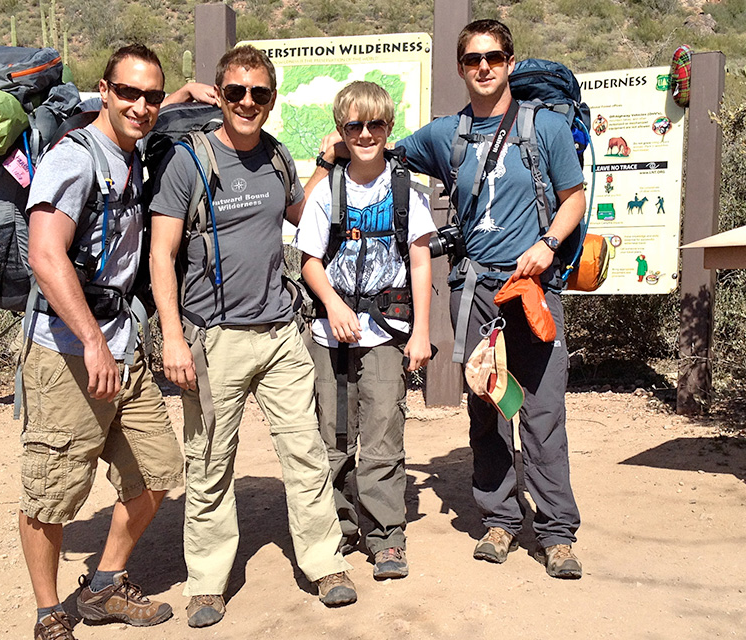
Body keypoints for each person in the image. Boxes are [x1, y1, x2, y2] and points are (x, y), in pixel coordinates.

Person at [149, 44, 356, 628]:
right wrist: (172, 336)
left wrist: (325, 160)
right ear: (220, 93)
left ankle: (325, 564)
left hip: (279, 331)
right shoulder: (189, 161)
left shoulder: (276, 156)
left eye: (259, 93)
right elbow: (162, 254)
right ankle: (209, 581)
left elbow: (299, 214)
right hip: (213, 340)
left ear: (271, 98)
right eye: (235, 91)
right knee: (210, 462)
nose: (247, 102)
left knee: (306, 453)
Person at [20, 45, 201, 640]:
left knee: (157, 470)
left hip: (122, 344)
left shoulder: (132, 149)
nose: (142, 106)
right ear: (104, 90)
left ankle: (103, 586)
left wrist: (180, 98)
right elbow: (45, 256)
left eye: (152, 96)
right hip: (68, 351)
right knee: (52, 491)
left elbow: (150, 112)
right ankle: (49, 614)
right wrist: (93, 342)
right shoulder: (73, 158)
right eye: (129, 93)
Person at [396, 19, 587, 579]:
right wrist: (340, 143)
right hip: (476, 292)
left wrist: (548, 244)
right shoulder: (444, 135)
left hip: (533, 289)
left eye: (495, 57)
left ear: (509, 61)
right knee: (488, 406)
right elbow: (382, 154)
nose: (485, 66)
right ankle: (501, 520)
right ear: (460, 67)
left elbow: (573, 198)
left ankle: (556, 533)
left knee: (544, 412)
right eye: (474, 58)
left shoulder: (544, 127)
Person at [295, 81, 435, 580]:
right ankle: (339, 527)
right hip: (331, 334)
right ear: (341, 131)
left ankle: (386, 536)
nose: (366, 134)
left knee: (382, 434)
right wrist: (331, 304)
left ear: (389, 128)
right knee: (331, 436)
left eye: (376, 124)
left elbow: (420, 261)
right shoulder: (326, 192)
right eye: (355, 125)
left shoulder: (405, 191)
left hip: (386, 331)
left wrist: (420, 331)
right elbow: (310, 260)